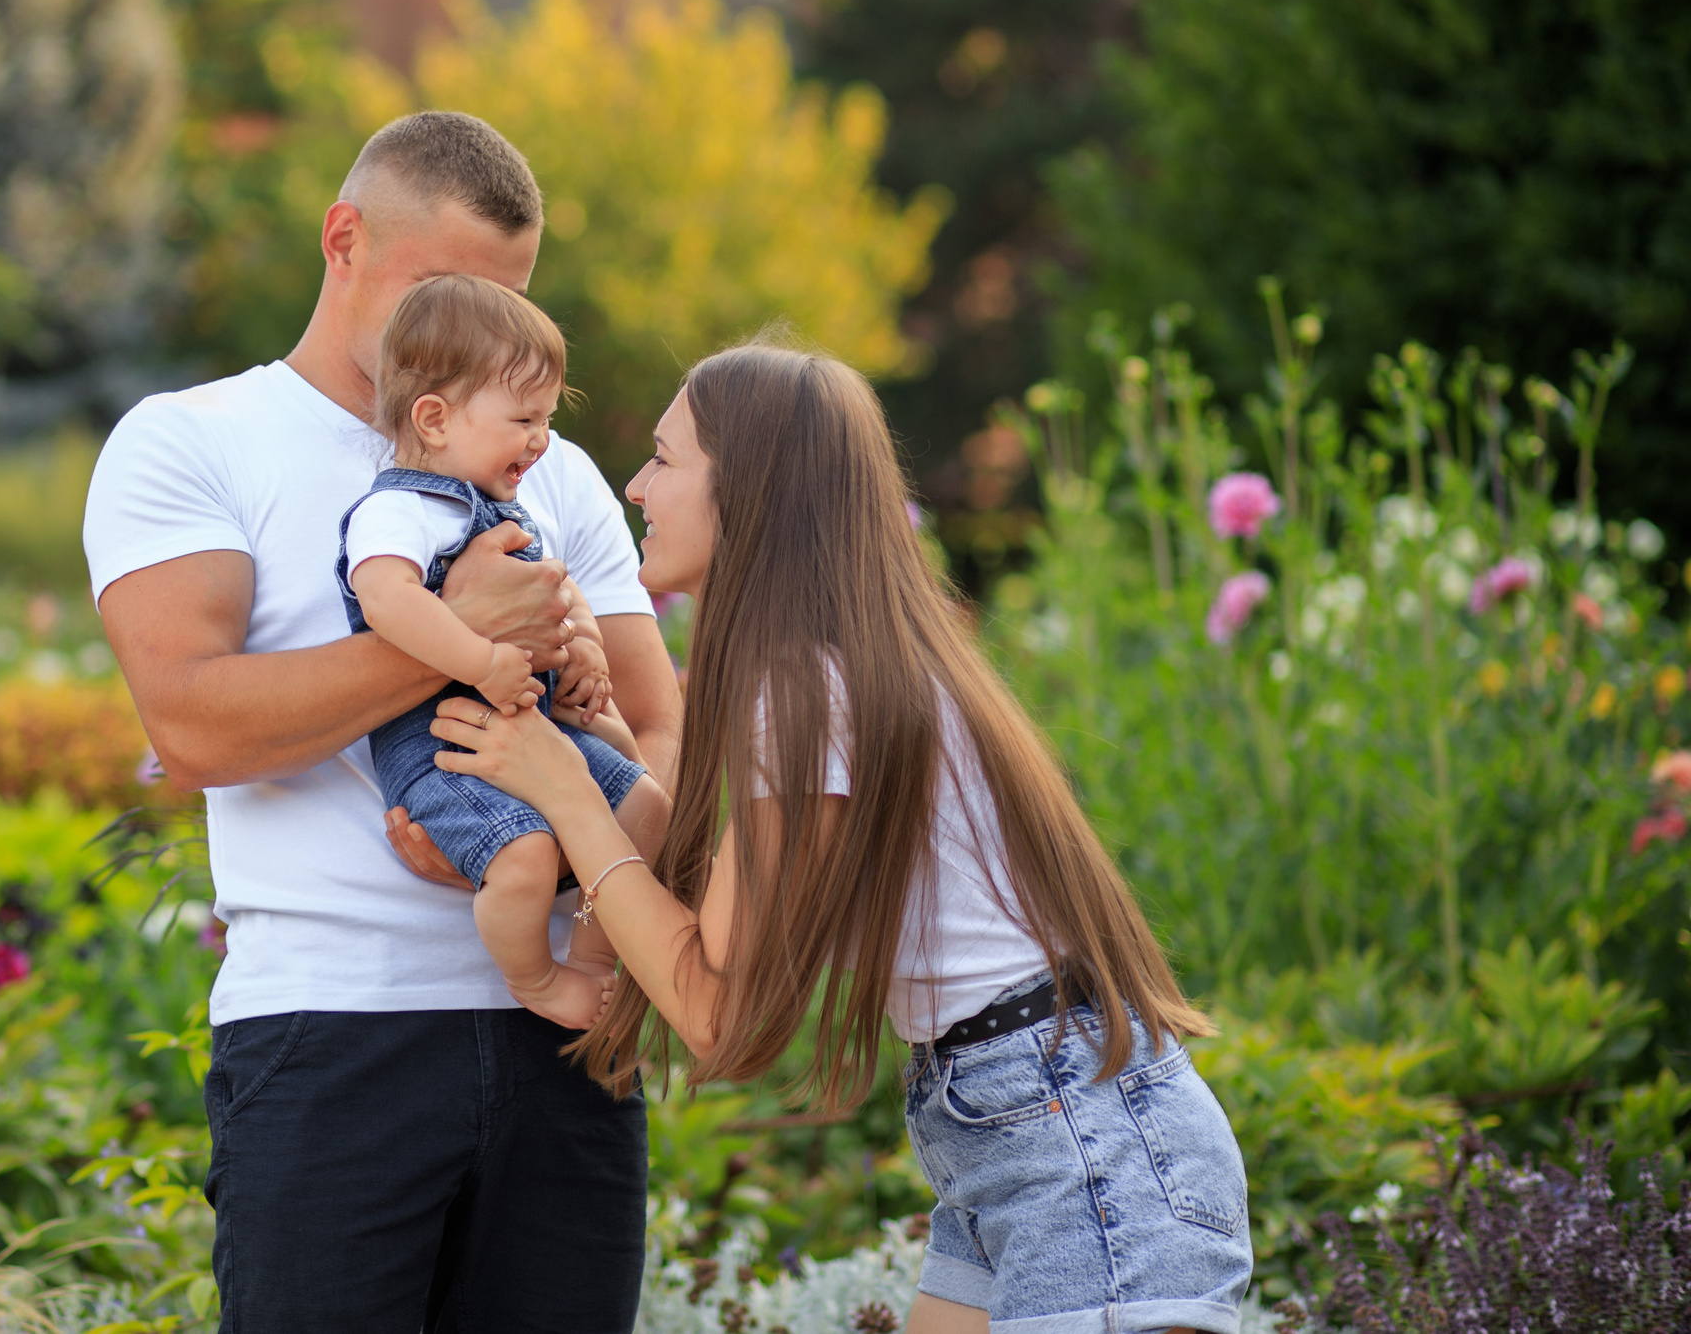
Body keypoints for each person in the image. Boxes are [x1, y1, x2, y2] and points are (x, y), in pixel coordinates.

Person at [421, 342, 1254, 1334]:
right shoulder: (842, 667)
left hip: (1072, 1137)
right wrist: (597, 767)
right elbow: (727, 918)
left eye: (663, 457)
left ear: (753, 486)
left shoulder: (807, 690)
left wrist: (565, 795)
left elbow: (715, 1016)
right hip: (1020, 1113)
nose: (639, 484)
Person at [84, 111, 682, 1332]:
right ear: (343, 238)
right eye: (443, 288)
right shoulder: (190, 442)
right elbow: (194, 728)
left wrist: (557, 811)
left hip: (566, 1039)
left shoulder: (545, 467)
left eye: (504, 297)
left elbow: (666, 742)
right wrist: (454, 638)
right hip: (328, 1038)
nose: (470, 334)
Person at [339, 273, 672, 1029]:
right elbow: (387, 598)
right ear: (434, 418)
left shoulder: (508, 505)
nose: (542, 438)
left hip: (540, 730)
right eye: (524, 417)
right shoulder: (400, 509)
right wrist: (480, 658)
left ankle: (592, 958)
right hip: (441, 743)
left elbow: (556, 583)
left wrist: (583, 643)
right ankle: (538, 981)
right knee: (521, 856)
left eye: (548, 417)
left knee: (648, 807)